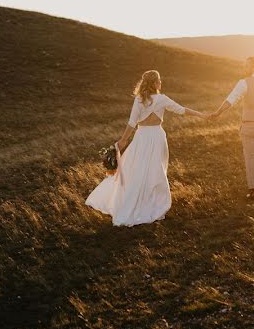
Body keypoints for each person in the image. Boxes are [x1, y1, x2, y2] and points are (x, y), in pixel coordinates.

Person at [85, 70, 209, 226]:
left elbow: (132, 123)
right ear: (156, 83)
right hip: (157, 136)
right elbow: (182, 110)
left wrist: (123, 141)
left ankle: (136, 201)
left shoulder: (139, 100)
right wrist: (202, 115)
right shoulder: (162, 99)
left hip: (141, 137)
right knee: (155, 170)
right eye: (159, 80)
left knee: (137, 169)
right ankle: (153, 203)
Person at [210, 55, 254, 199]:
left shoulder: (244, 83)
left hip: (250, 125)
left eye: (246, 65)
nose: (244, 68)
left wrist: (218, 112)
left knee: (250, 157)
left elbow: (231, 99)